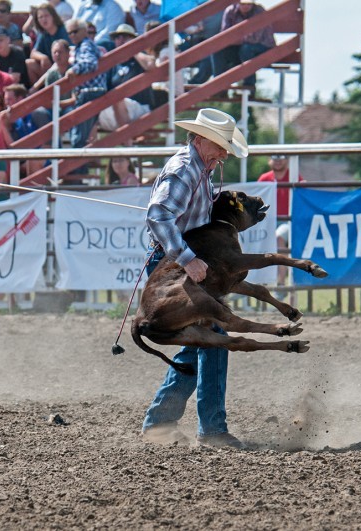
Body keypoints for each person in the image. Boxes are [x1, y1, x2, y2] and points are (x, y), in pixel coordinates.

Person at [141, 107, 248, 449]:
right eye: (219, 145)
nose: (224, 153)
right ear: (201, 140)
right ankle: (212, 430)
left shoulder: (198, 169)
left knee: (200, 339)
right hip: (174, 267)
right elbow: (158, 215)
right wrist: (187, 258)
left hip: (176, 265)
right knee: (214, 336)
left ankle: (160, 423)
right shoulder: (185, 171)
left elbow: (168, 215)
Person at [258, 154, 304, 293]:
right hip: (268, 221)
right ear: (269, 160)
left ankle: (281, 284)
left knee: (278, 238)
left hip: (288, 221)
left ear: (287, 160)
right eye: (274, 157)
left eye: (282, 157)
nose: (278, 160)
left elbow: (304, 192)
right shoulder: (264, 179)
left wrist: (304, 186)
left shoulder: (295, 177)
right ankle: (255, 281)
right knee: (253, 239)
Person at [98, 24, 155, 133]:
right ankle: (88, 147)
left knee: (117, 99)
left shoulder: (139, 57)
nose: (121, 40)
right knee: (92, 106)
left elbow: (151, 65)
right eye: (117, 37)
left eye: (125, 36)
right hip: (117, 110)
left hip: (140, 107)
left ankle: (128, 144)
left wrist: (133, 50)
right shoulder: (113, 63)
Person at [65, 19, 106, 151]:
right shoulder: (83, 45)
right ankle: (78, 168)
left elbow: (90, 63)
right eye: (69, 33)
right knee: (80, 137)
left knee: (79, 138)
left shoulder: (85, 45)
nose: (72, 35)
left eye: (75, 31)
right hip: (90, 92)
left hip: (89, 92)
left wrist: (74, 70)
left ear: (84, 31)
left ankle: (76, 169)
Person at [218, 1, 275, 88]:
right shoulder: (230, 11)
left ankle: (249, 86)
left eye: (249, 4)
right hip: (239, 45)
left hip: (263, 46)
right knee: (217, 50)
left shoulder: (259, 11)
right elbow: (225, 33)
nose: (246, 7)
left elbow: (255, 38)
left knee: (246, 49)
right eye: (243, 4)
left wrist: (235, 37)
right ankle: (220, 87)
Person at [27, 3, 71, 83]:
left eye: (46, 15)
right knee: (29, 63)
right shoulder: (43, 33)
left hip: (64, 68)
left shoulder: (63, 31)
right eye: (40, 17)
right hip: (49, 67)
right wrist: (43, 57)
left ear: (53, 16)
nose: (44, 19)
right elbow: (33, 53)